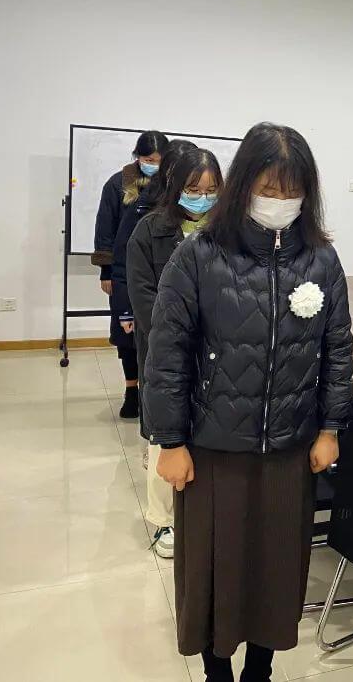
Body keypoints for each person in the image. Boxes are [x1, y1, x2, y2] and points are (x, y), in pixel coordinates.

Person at [143, 123, 353, 682]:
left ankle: (260, 671)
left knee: (275, 573)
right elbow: (166, 355)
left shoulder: (322, 261)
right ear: (243, 188)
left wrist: (330, 428)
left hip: (290, 448)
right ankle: (217, 673)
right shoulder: (199, 255)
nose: (281, 202)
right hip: (214, 448)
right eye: (269, 189)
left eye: (292, 191)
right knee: (215, 573)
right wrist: (170, 441)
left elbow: (338, 348)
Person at [127, 147, 222, 559]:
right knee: (165, 435)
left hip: (218, 353)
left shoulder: (228, 230)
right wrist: (181, 339)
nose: (202, 198)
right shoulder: (149, 231)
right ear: (175, 186)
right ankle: (164, 520)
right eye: (193, 189)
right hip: (166, 350)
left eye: (211, 189)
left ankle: (202, 514)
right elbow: (144, 297)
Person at [92, 130, 170, 416]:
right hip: (124, 271)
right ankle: (131, 391)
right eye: (148, 160)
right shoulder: (118, 184)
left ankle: (155, 391)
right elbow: (105, 228)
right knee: (127, 333)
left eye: (159, 160)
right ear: (137, 156)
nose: (154, 165)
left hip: (162, 269)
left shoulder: (172, 185)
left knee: (159, 332)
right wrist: (106, 271)